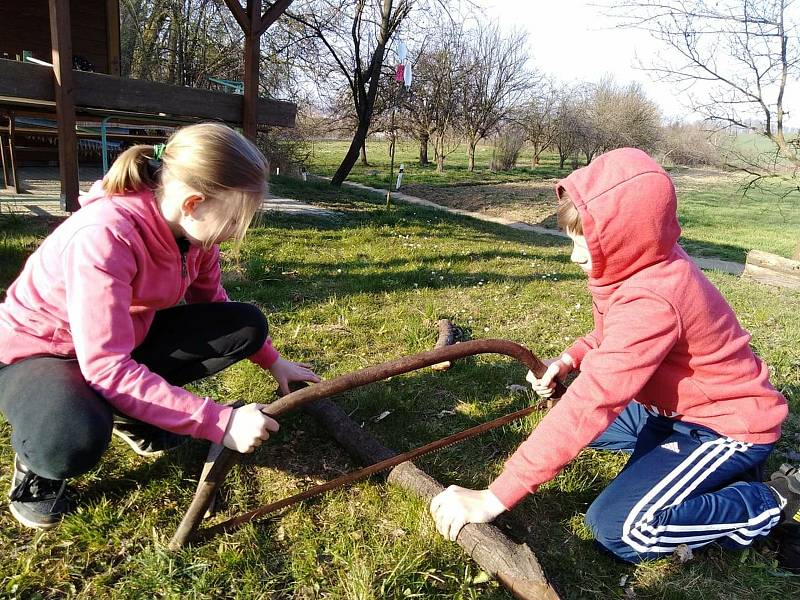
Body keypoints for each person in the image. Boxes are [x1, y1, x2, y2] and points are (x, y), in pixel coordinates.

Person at [430, 147, 798, 566]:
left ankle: (762, 502)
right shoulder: (641, 263)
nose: (576, 257)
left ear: (625, 239)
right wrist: (568, 360)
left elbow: (595, 400)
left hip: (723, 426)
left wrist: (493, 497)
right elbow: (610, 334)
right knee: (568, 413)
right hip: (672, 412)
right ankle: (705, 476)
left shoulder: (654, 297)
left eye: (587, 245)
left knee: (620, 528)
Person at [0, 123, 320, 530]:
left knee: (245, 324)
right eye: (237, 218)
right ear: (193, 203)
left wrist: (274, 361)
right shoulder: (105, 236)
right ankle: (37, 467)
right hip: (41, 352)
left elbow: (212, 303)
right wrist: (219, 422)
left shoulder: (195, 236)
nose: (240, 231)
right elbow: (106, 366)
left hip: (116, 343)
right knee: (72, 435)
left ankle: (130, 415)